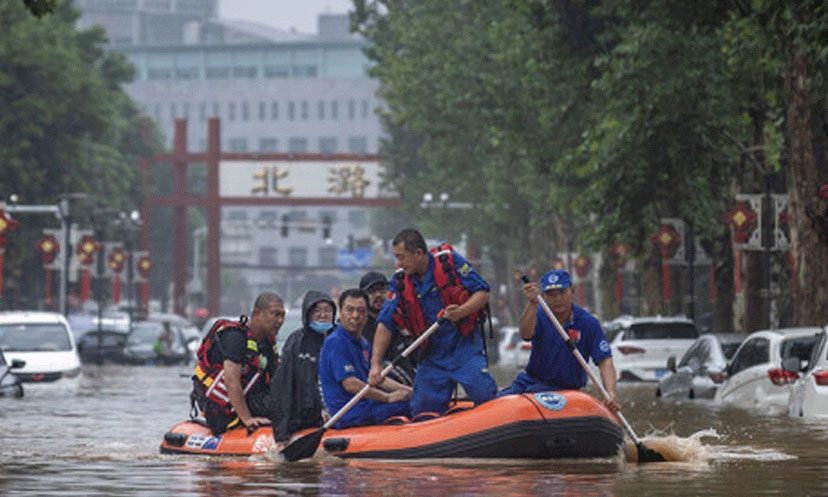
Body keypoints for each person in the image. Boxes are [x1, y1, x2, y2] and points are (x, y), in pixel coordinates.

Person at [368, 228, 497, 416]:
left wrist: (461, 311)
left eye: (402, 257)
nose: (399, 263)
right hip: (432, 356)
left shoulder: (449, 262)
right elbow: (385, 323)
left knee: (484, 392)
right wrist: (375, 364)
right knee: (422, 410)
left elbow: (482, 293)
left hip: (464, 348)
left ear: (418, 253)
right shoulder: (401, 280)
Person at [498, 269, 621, 413]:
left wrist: (610, 393)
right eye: (551, 295)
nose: (557, 299)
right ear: (543, 295)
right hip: (531, 382)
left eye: (562, 293)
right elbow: (525, 334)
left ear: (572, 291)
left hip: (566, 393)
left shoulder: (588, 323)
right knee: (496, 406)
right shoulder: (537, 314)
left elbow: (605, 361)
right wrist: (532, 303)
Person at [191, 293, 285, 435]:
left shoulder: (267, 343)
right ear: (257, 313)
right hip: (223, 409)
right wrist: (247, 420)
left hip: (254, 399)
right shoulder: (235, 338)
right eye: (275, 314)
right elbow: (231, 381)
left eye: (283, 315)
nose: (280, 321)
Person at [319, 288, 412, 428]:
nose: (355, 316)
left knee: (415, 398)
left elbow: (377, 378)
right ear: (340, 312)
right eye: (350, 310)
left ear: (367, 315)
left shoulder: (363, 343)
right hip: (349, 412)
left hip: (366, 405)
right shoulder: (336, 342)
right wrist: (387, 397)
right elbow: (351, 384)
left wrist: (408, 390)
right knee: (411, 406)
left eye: (361, 311)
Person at [270, 291, 336, 442]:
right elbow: (284, 385)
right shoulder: (297, 341)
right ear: (307, 314)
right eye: (317, 311)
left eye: (327, 310)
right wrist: (282, 432)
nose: (323, 315)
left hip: (337, 408)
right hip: (307, 414)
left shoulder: (339, 338)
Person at [359, 271, 416, 386]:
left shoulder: (400, 320)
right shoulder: (360, 328)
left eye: (382, 290)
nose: (378, 295)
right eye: (372, 291)